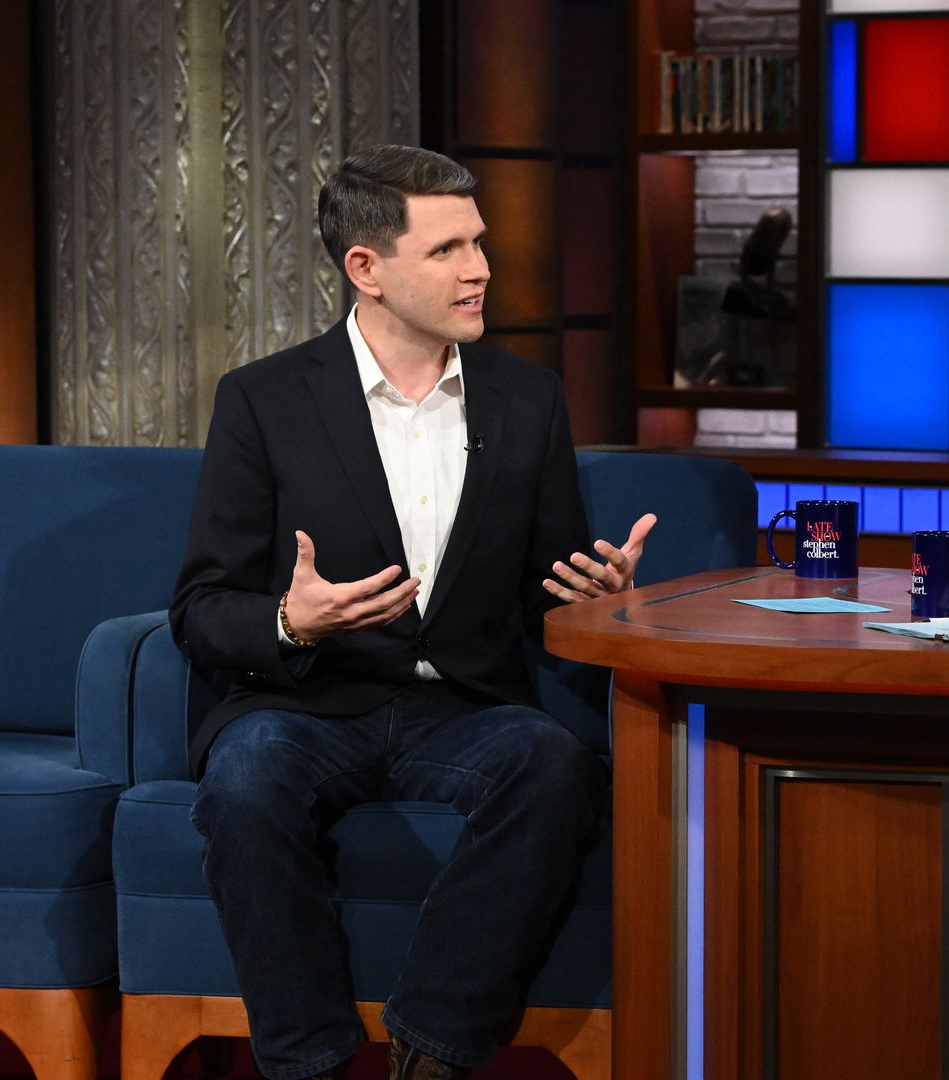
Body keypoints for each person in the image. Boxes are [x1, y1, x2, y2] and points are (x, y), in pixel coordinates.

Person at [170, 144, 651, 1080]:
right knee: (244, 780)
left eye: (478, 243)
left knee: (552, 768)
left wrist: (600, 597)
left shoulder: (527, 399)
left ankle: (430, 1053)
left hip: (461, 707)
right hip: (307, 705)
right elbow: (199, 608)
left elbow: (543, 590)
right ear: (367, 269)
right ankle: (308, 1062)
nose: (478, 269)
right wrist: (293, 621)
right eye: (446, 250)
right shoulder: (264, 400)